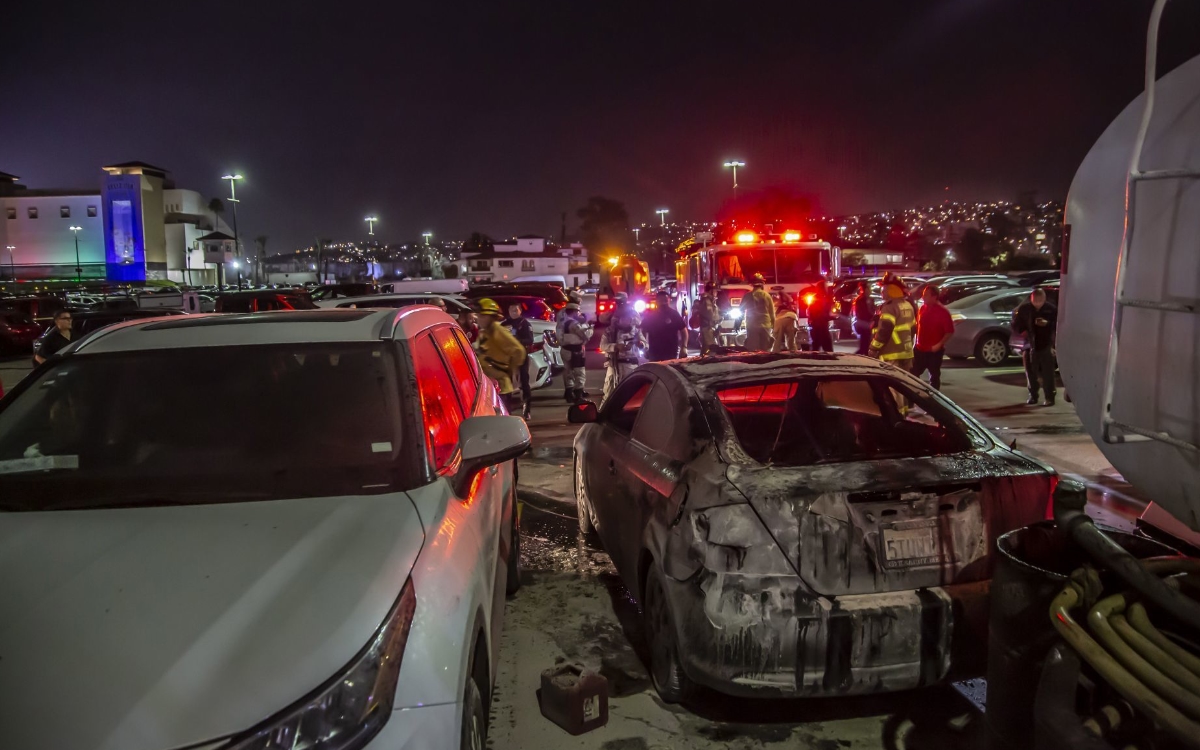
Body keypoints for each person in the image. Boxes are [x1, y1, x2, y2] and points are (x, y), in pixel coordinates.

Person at [475, 298, 528, 416]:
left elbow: (519, 351)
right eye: (479, 315)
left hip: (501, 389)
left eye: (482, 316)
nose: (479, 318)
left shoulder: (498, 331)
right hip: (490, 386)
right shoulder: (484, 332)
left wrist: (510, 369)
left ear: (491, 317)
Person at [1012, 287, 1058, 406]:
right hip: (1029, 344)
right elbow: (1016, 325)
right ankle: (1033, 395)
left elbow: (1057, 325)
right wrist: (1022, 331)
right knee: (1030, 371)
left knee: (1048, 373)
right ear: (1031, 299)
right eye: (1035, 301)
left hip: (1045, 343)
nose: (1037, 304)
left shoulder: (1051, 309)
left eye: (1040, 301)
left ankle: (1050, 397)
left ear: (1044, 299)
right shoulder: (1025, 309)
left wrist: (1047, 324)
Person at [599, 292, 644, 402]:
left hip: (630, 364)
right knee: (609, 394)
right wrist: (616, 347)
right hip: (614, 364)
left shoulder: (635, 329)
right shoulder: (610, 331)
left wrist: (640, 344)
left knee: (631, 395)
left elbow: (644, 344)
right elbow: (603, 346)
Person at [868, 276, 916, 371]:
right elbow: (913, 329)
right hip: (907, 353)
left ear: (891, 291)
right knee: (904, 383)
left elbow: (884, 331)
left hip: (891, 355)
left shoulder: (889, 308)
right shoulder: (908, 305)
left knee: (890, 383)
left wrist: (873, 348)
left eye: (884, 290)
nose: (882, 292)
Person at [913, 285, 955, 389]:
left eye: (926, 295)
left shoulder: (943, 312)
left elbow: (949, 331)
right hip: (919, 349)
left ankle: (934, 398)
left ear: (934, 297)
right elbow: (918, 326)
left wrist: (939, 345)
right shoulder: (922, 309)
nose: (923, 297)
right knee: (913, 374)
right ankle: (913, 397)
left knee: (934, 377)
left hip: (934, 351)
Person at [502, 303, 535, 419]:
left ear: (520, 310)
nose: (513, 312)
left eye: (516, 310)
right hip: (508, 358)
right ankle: (507, 409)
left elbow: (530, 340)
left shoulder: (525, 324)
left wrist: (518, 340)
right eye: (511, 310)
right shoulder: (504, 323)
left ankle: (527, 410)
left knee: (524, 382)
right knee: (507, 383)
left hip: (521, 356)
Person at [557, 300, 591, 403]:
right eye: (578, 312)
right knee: (580, 373)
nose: (579, 314)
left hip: (565, 349)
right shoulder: (574, 324)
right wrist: (589, 326)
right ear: (574, 312)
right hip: (576, 351)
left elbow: (559, 337)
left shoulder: (561, 322)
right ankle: (578, 394)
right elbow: (586, 335)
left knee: (568, 372)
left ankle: (569, 392)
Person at [642, 290, 688, 362]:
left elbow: (684, 331)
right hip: (654, 352)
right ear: (656, 301)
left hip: (671, 352)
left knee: (670, 372)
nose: (663, 303)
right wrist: (644, 347)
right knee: (655, 372)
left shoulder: (674, 314)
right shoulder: (650, 316)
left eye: (665, 300)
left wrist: (684, 347)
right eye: (661, 301)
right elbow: (643, 331)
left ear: (669, 300)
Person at [743, 273, 775, 351]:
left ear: (752, 284)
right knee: (766, 350)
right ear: (762, 284)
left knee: (753, 350)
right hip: (765, 325)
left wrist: (737, 323)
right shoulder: (767, 296)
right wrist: (773, 326)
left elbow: (741, 310)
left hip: (752, 326)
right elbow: (772, 314)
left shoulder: (747, 296)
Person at [806, 280, 834, 353]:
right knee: (828, 349)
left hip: (816, 326)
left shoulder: (815, 298)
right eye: (826, 287)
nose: (827, 288)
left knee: (816, 347)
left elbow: (811, 313)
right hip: (821, 327)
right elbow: (821, 313)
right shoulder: (822, 298)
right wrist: (831, 317)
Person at [851, 281, 876, 356]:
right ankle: (862, 355)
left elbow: (873, 309)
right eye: (869, 288)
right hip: (864, 323)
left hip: (867, 322)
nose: (870, 290)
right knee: (865, 341)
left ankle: (862, 353)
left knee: (865, 341)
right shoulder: (861, 300)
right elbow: (862, 313)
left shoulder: (869, 299)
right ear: (865, 289)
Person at [696, 281, 721, 355]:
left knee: (706, 347)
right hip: (708, 328)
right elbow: (710, 315)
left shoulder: (711, 300)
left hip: (710, 328)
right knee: (711, 347)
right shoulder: (707, 301)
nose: (716, 293)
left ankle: (703, 361)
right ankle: (709, 362)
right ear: (711, 291)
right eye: (715, 291)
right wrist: (719, 319)